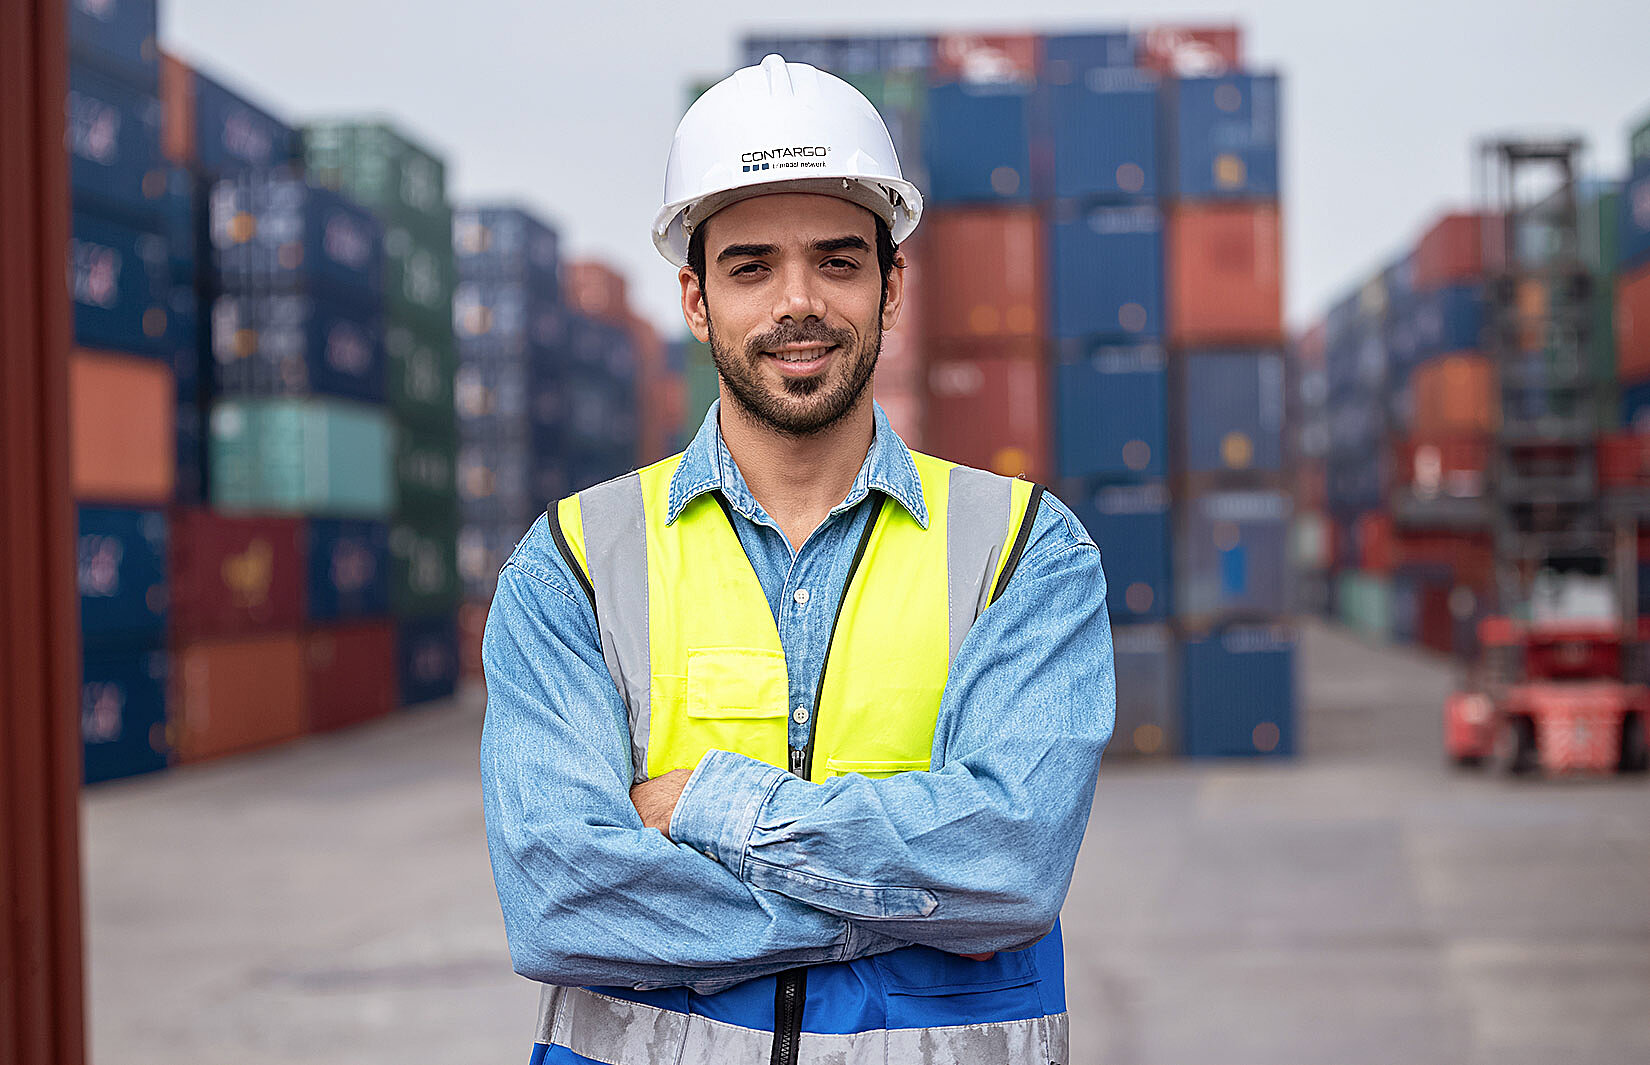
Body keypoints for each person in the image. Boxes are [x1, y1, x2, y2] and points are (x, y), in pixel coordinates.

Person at [480, 54, 1114, 1065]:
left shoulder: (1025, 550)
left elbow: (1013, 865)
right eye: (750, 267)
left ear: (890, 285)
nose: (798, 301)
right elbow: (563, 899)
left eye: (837, 260)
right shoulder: (573, 564)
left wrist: (706, 807)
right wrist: (901, 911)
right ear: (695, 299)